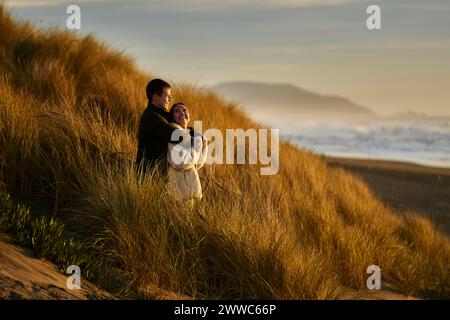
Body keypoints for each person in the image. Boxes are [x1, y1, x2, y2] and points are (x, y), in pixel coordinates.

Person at [166, 103, 208, 203]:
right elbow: (180, 163)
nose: (181, 112)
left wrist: (203, 143)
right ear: (172, 117)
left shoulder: (192, 135)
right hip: (179, 191)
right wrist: (197, 145)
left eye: (184, 110)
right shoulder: (174, 133)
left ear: (189, 116)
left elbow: (197, 164)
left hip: (190, 188)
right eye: (177, 111)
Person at [136, 79, 178, 176]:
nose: (171, 99)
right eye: (167, 96)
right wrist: (193, 136)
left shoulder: (160, 115)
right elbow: (177, 136)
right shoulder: (152, 117)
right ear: (155, 97)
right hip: (149, 175)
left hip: (155, 173)